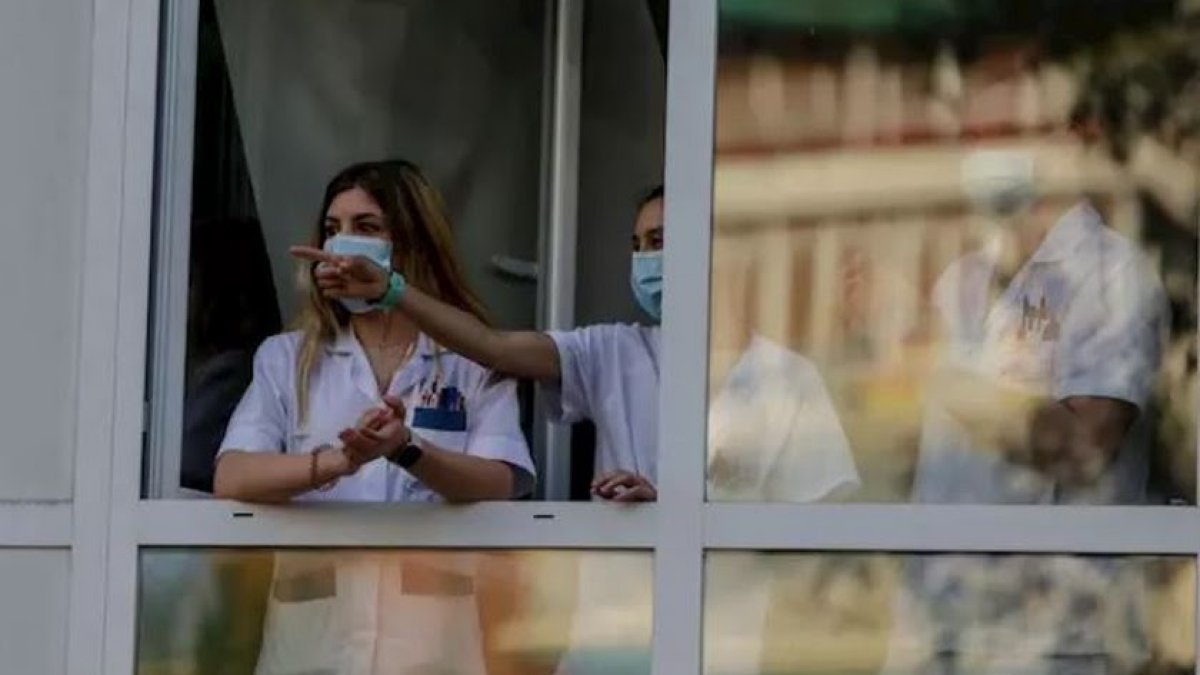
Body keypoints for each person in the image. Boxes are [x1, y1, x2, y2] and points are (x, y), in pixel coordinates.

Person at [214, 160, 535, 675]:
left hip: (432, 646)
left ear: (413, 243)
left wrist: (407, 450)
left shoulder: (471, 358)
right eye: (332, 229)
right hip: (314, 644)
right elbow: (233, 475)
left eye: (365, 228)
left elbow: (500, 479)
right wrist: (338, 462)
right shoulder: (287, 358)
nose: (342, 245)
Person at [292, 185, 666, 502]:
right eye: (638, 245)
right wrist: (390, 290)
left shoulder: (726, 365)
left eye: (659, 241)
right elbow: (492, 348)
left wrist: (665, 503)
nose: (646, 259)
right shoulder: (614, 349)